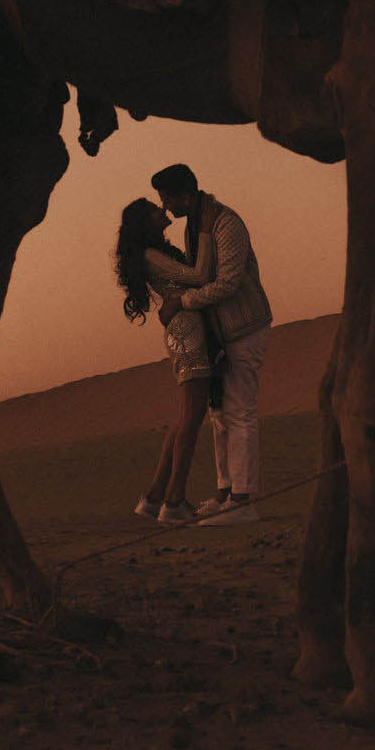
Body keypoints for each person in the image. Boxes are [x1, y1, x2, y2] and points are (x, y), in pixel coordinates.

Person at [151, 164, 272, 526]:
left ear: (184, 195)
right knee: (220, 417)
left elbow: (228, 282)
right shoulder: (198, 226)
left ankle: (243, 501)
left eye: (168, 199)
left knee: (240, 412)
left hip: (244, 329)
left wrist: (182, 303)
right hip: (218, 336)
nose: (166, 208)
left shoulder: (226, 224)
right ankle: (224, 494)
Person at [113, 197, 217, 526]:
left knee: (185, 415)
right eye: (154, 208)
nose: (162, 209)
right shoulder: (151, 256)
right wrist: (204, 231)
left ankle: (155, 495)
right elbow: (199, 276)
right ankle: (174, 500)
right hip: (188, 334)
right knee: (192, 418)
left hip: (183, 332)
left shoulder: (154, 254)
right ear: (145, 221)